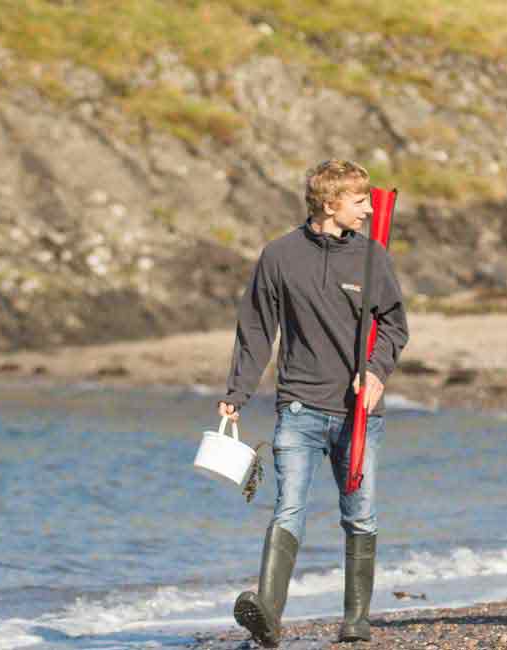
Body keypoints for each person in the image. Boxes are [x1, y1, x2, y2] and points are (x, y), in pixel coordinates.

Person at [220, 160, 409, 646]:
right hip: (299, 407)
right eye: (359, 200)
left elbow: (393, 324)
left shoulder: (373, 258)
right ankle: (267, 614)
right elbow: (258, 328)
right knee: (288, 509)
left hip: (359, 412)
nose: (368, 208)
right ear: (329, 204)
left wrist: (376, 371)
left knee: (360, 515)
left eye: (369, 200)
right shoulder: (279, 256)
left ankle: (356, 620)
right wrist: (237, 392)